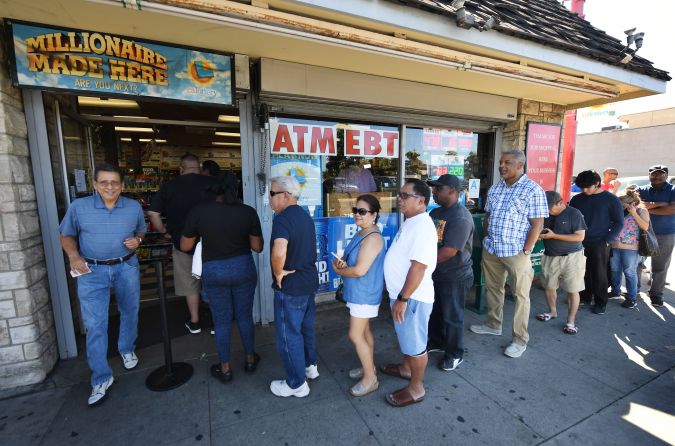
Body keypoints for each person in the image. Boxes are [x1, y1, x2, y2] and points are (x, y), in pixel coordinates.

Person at [59, 163, 146, 406]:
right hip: (92, 270)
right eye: (104, 182)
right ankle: (101, 377)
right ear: (95, 185)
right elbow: (65, 235)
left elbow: (142, 230)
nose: (110, 186)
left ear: (122, 185)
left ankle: (127, 348)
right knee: (95, 323)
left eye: (114, 182)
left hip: (126, 265)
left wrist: (138, 240)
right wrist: (74, 257)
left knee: (130, 310)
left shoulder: (133, 207)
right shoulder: (79, 207)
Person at [180, 174, 263, 383]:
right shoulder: (247, 212)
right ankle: (250, 359)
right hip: (243, 267)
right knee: (244, 316)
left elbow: (185, 246)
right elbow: (257, 247)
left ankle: (225, 368)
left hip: (214, 271)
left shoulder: (198, 212)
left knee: (222, 319)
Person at [469, 150, 548, 358]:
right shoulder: (496, 188)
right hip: (492, 248)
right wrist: (488, 237)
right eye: (501, 162)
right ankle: (493, 324)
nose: (502, 166)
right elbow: (488, 215)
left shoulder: (533, 190)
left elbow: (537, 224)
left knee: (521, 295)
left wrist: (527, 251)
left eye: (508, 163)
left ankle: (520, 339)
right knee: (493, 289)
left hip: (516, 252)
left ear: (520, 165)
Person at [380, 180, 437, 407]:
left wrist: (403, 298)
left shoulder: (422, 226)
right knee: (406, 339)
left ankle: (416, 387)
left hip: (413, 297)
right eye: (399, 194)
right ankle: (406, 369)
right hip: (404, 295)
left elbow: (419, 267)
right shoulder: (412, 222)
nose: (399, 198)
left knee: (415, 344)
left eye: (405, 195)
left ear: (421, 200)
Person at [148, 153, 219, 334]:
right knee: (213, 282)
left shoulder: (169, 186)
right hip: (212, 242)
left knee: (189, 282)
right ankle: (217, 322)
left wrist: (164, 232)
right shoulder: (212, 183)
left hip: (183, 243)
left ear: (181, 168)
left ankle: (195, 321)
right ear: (199, 167)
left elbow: (153, 214)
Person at [268, 176, 320, 398]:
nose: (269, 199)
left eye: (271, 194)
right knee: (305, 328)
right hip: (308, 281)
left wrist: (278, 272)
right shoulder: (304, 216)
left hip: (291, 287)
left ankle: (296, 384)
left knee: (289, 336)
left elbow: (280, 250)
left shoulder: (282, 218)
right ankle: (310, 367)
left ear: (285, 196)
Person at [331, 194, 385, 397]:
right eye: (355, 210)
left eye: (362, 211)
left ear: (374, 215)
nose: (357, 215)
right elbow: (352, 263)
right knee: (364, 332)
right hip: (359, 293)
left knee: (355, 334)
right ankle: (368, 366)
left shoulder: (373, 237)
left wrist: (339, 271)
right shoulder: (362, 232)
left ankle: (370, 379)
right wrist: (342, 263)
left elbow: (360, 270)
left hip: (365, 293)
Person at [426, 174, 474, 371]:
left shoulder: (461, 217)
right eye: (434, 189)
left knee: (452, 316)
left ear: (452, 191)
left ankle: (455, 353)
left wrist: (422, 265)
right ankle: (437, 342)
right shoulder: (435, 212)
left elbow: (448, 252)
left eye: (438, 189)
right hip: (436, 273)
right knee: (435, 311)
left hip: (455, 275)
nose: (434, 192)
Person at [570, 170, 623, 315]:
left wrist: (607, 240)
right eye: (582, 188)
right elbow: (571, 217)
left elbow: (619, 222)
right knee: (582, 271)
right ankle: (585, 296)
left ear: (597, 184)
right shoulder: (577, 199)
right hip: (578, 241)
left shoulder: (611, 199)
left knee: (600, 273)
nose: (584, 190)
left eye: (587, 187)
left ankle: (601, 302)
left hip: (600, 242)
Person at [537, 191, 587, 335]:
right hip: (550, 256)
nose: (547, 211)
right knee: (549, 286)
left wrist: (554, 236)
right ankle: (552, 312)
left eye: (550, 208)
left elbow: (579, 237)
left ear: (560, 202)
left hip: (572, 257)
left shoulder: (574, 213)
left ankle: (571, 321)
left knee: (572, 289)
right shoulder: (545, 213)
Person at [636, 165, 675, 307]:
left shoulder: (673, 190)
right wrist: (661, 204)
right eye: (653, 174)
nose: (657, 177)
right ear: (649, 175)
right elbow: (636, 205)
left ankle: (656, 294)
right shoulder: (641, 190)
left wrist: (647, 210)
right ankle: (635, 290)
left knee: (660, 265)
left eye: (660, 174)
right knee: (637, 263)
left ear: (666, 175)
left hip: (666, 232)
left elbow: (672, 209)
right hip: (642, 231)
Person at [609, 189, 650, 309]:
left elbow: (645, 227)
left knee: (629, 272)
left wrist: (633, 213)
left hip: (631, 248)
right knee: (615, 270)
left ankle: (631, 298)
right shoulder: (619, 212)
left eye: (622, 205)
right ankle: (615, 292)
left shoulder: (641, 210)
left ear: (631, 203)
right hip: (615, 245)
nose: (619, 207)